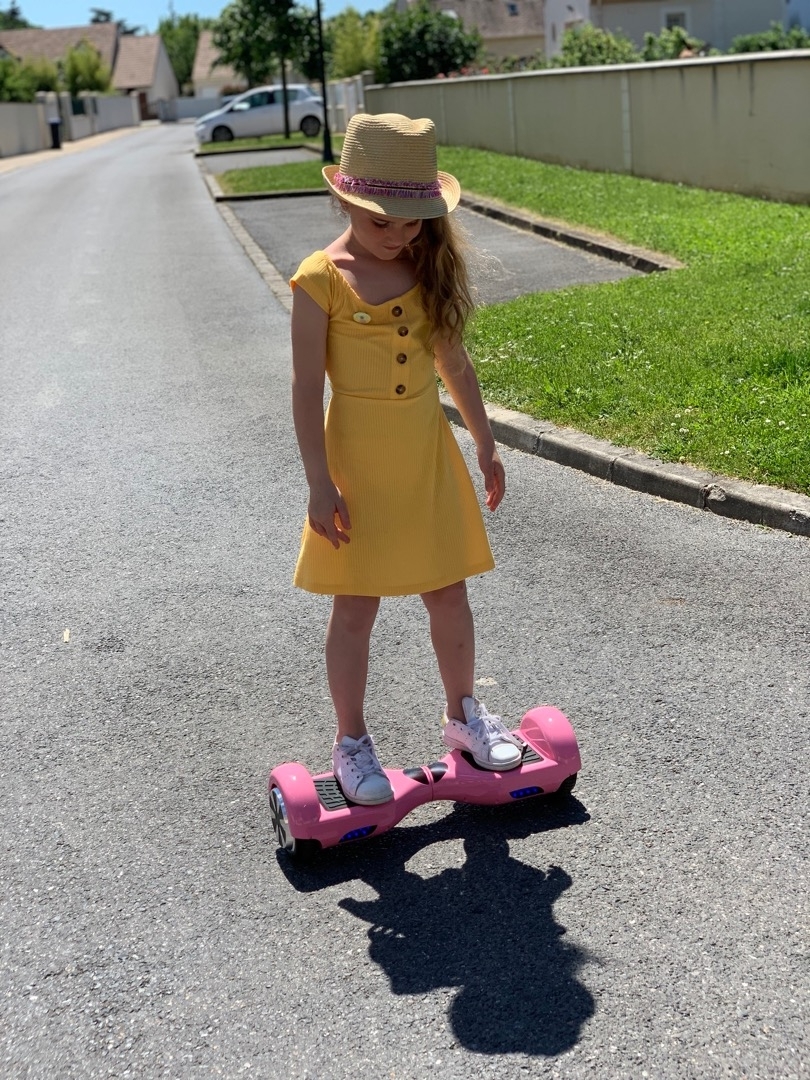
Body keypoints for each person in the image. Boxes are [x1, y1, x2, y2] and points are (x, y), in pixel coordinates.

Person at [290, 113, 523, 806]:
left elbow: (454, 363)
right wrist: (318, 482)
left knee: (447, 592)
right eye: (381, 222)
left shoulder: (426, 268)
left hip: (425, 456)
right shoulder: (319, 279)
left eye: (411, 222)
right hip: (357, 465)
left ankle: (463, 715)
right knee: (355, 606)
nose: (397, 235)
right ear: (344, 202)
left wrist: (484, 441)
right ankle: (351, 741)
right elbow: (304, 390)